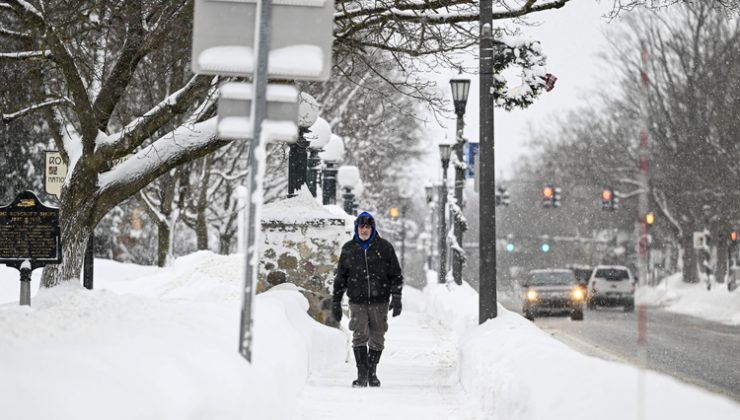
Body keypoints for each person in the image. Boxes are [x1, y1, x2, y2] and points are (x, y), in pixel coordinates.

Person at [332, 211, 403, 388]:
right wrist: (336, 300)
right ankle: (362, 374)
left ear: (373, 228)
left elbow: (395, 274)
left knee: (378, 336)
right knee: (359, 334)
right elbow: (341, 277)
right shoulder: (349, 249)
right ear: (357, 228)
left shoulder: (385, 248)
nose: (364, 230)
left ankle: (372, 372)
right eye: (361, 227)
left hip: (380, 301)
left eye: (367, 227)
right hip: (357, 301)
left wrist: (397, 296)